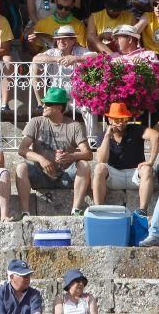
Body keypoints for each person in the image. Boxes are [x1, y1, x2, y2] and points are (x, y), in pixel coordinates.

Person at [15, 87, 93, 218]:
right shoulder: (36, 122)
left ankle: (76, 209)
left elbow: (88, 154)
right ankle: (25, 212)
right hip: (41, 174)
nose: (44, 106)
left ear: (59, 108)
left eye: (48, 104)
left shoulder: (74, 126)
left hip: (66, 175)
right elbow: (22, 150)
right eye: (45, 103)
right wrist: (41, 159)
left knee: (84, 165)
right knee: (20, 168)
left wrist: (71, 156)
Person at [92, 102, 159, 215]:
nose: (120, 123)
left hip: (135, 174)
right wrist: (107, 136)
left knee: (147, 169)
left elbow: (156, 136)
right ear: (110, 120)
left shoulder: (135, 129)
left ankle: (142, 211)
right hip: (114, 176)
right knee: (99, 168)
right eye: (117, 119)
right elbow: (101, 160)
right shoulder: (103, 136)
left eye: (123, 119)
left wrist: (151, 161)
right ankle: (98, 210)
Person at [31, 26, 95, 102]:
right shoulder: (53, 52)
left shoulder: (79, 50)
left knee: (90, 111)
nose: (61, 41)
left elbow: (95, 55)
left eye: (64, 38)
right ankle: (40, 104)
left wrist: (75, 58)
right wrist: (56, 59)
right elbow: (36, 59)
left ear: (73, 41)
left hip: (78, 97)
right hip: (57, 97)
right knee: (35, 65)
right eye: (58, 38)